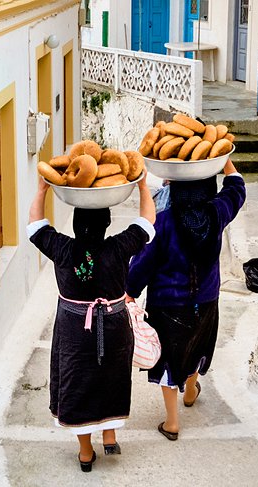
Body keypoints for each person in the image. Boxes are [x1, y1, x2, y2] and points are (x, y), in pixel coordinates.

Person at [26, 176, 156, 472]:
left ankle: (86, 453)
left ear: (75, 224)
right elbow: (148, 221)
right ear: (107, 223)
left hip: (74, 331)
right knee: (112, 378)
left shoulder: (61, 248)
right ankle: (109, 434)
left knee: (78, 384)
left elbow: (35, 226)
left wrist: (42, 190)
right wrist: (143, 186)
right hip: (113, 326)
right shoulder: (120, 247)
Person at [125, 159, 246, 441]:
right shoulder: (217, 213)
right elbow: (237, 189)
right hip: (206, 299)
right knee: (196, 344)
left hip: (167, 303)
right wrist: (225, 161)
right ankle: (191, 391)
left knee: (168, 359)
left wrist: (129, 290)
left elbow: (143, 263)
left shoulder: (163, 223)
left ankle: (172, 422)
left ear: (176, 190)